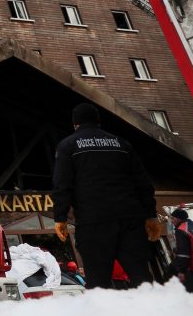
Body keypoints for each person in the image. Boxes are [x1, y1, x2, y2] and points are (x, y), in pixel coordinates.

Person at [52, 103, 162, 289]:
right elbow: (143, 183)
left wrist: (60, 216)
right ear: (98, 122)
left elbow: (62, 184)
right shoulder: (122, 144)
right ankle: (153, 313)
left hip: (93, 220)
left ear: (75, 124)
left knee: (98, 280)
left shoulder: (68, 145)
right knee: (140, 275)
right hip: (130, 218)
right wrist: (151, 215)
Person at [171, 208, 193, 293]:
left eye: (173, 218)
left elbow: (183, 254)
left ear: (178, 219)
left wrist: (181, 271)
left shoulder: (181, 230)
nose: (171, 221)